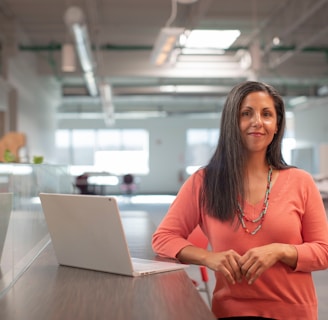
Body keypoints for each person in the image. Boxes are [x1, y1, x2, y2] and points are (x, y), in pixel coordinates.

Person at [152, 81, 328, 320]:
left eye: (267, 114)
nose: (257, 121)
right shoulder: (204, 182)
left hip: (293, 313)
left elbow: (324, 251)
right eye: (246, 113)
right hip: (231, 312)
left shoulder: (301, 181)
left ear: (277, 125)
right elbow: (163, 238)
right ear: (232, 123)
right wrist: (208, 257)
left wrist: (281, 251)